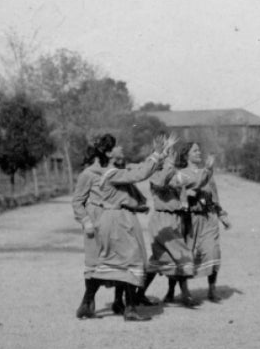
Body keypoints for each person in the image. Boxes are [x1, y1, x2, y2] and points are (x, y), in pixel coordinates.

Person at [75, 134, 172, 321]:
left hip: (113, 219)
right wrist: (157, 154)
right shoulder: (108, 173)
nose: (121, 148)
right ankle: (129, 308)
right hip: (114, 221)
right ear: (108, 152)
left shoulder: (107, 171)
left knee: (112, 262)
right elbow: (139, 174)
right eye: (116, 146)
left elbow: (135, 172)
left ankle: (95, 305)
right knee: (132, 259)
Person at [143, 142, 213, 306]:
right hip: (162, 219)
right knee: (181, 255)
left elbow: (191, 182)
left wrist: (207, 170)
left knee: (160, 259)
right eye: (167, 153)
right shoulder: (156, 172)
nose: (170, 156)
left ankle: (139, 293)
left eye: (171, 153)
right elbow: (162, 182)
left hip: (175, 219)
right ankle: (186, 294)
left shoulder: (172, 173)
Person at [176, 142, 229, 304]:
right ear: (186, 155)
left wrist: (222, 214)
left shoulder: (207, 174)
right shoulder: (181, 174)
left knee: (213, 251)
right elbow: (183, 194)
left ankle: (212, 289)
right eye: (195, 150)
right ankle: (184, 290)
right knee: (187, 255)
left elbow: (214, 195)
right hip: (190, 220)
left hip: (208, 218)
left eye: (200, 150)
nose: (199, 153)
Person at [72, 134, 116, 320]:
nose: (112, 153)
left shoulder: (111, 172)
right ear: (102, 152)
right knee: (94, 263)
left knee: (111, 260)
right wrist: (86, 221)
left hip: (110, 221)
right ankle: (86, 304)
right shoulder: (88, 174)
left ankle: (90, 304)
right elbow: (77, 201)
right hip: (94, 221)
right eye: (109, 150)